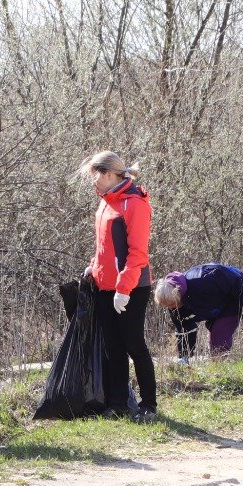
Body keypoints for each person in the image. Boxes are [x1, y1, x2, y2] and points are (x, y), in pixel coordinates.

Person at [83, 151, 158, 419]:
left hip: (132, 288)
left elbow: (138, 254)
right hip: (106, 287)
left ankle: (149, 404)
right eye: (94, 175)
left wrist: (123, 289)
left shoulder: (135, 204)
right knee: (112, 346)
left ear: (112, 175)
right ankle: (118, 403)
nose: (94, 181)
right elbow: (104, 247)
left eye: (98, 175)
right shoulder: (104, 204)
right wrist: (93, 266)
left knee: (134, 344)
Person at [153, 264, 243, 360]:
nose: (171, 308)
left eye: (172, 304)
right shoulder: (174, 305)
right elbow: (184, 330)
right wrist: (184, 357)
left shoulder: (203, 280)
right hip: (215, 307)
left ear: (178, 294)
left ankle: (220, 369)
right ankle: (217, 365)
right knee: (214, 336)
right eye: (167, 306)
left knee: (219, 335)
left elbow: (237, 280)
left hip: (236, 295)